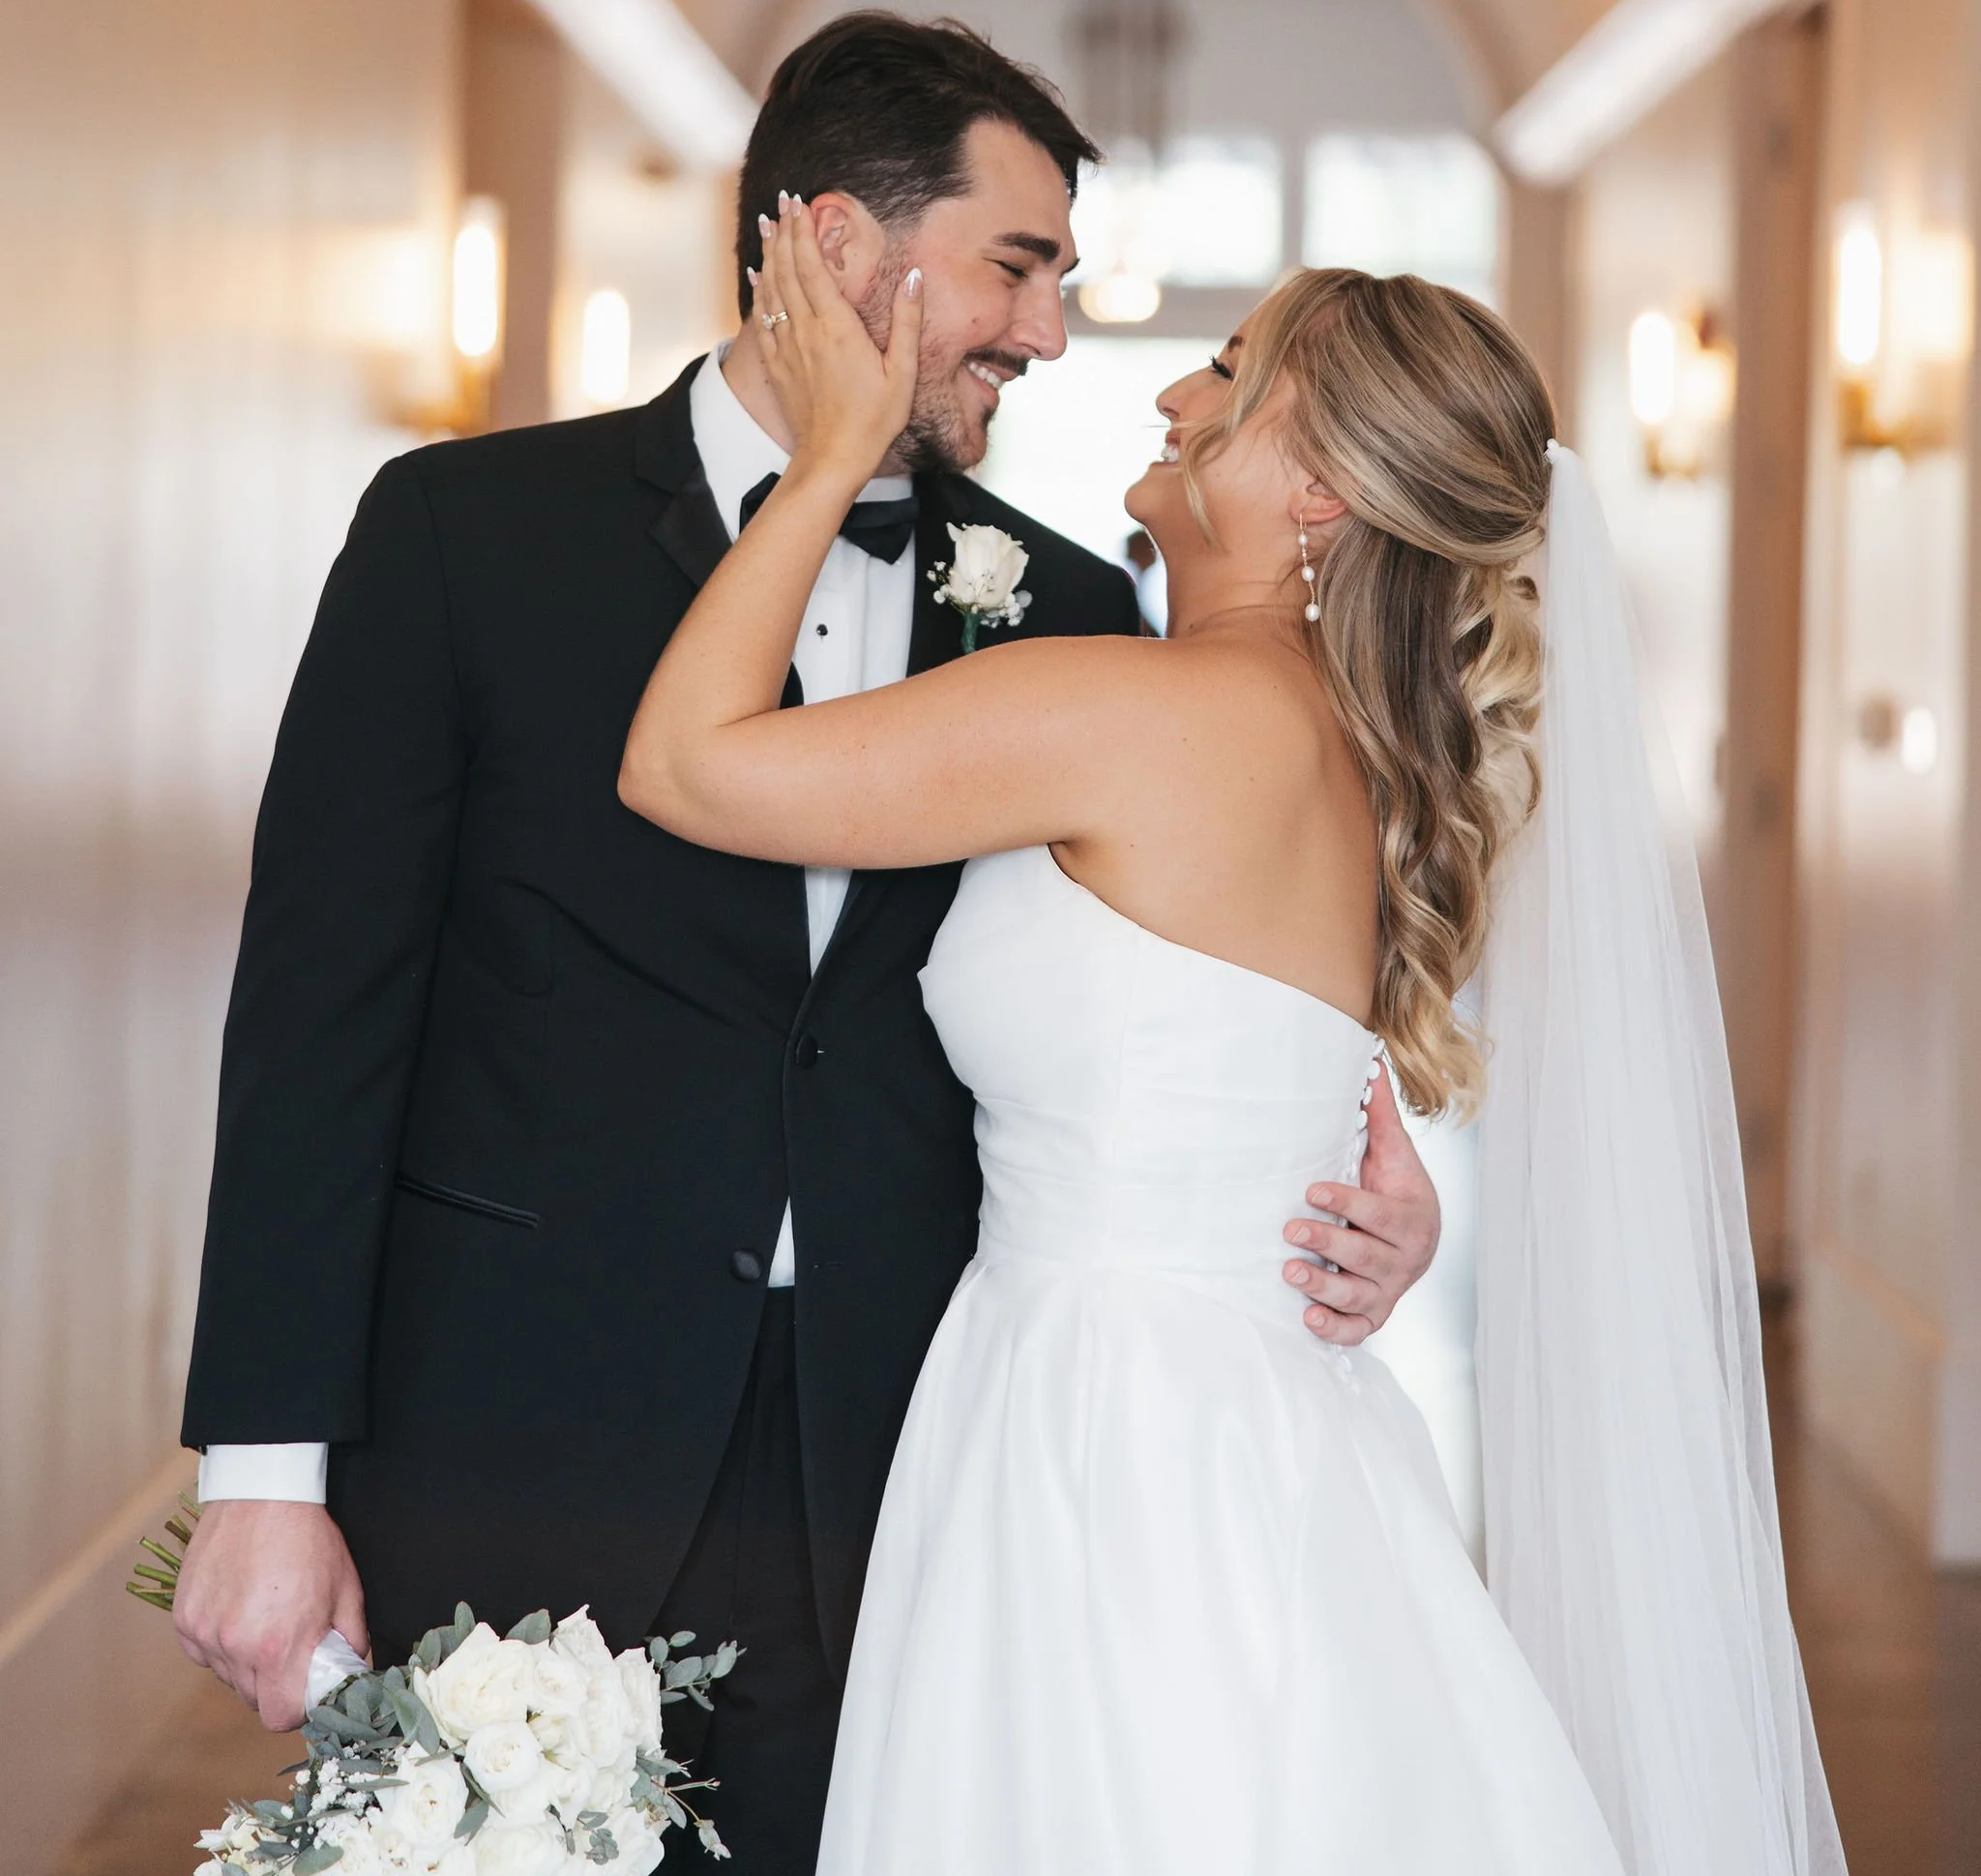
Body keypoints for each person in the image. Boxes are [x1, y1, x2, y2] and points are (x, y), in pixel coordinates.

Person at [172, 15, 1440, 1874]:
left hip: (920, 1462)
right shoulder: (462, 534)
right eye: (1019, 266)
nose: (1052, 335)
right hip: (515, 1427)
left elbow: (1208, 964)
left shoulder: (1079, 615)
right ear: (841, 247)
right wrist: (264, 1477)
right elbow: (315, 1020)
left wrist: (1360, 1182)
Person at [619, 202, 1846, 1876]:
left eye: (1229, 373)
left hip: (1107, 1446)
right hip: (1250, 1421)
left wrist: (833, 456)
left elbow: (685, 767)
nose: (1175, 400)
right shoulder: (1338, 747)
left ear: (1323, 491)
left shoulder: (1148, 715)